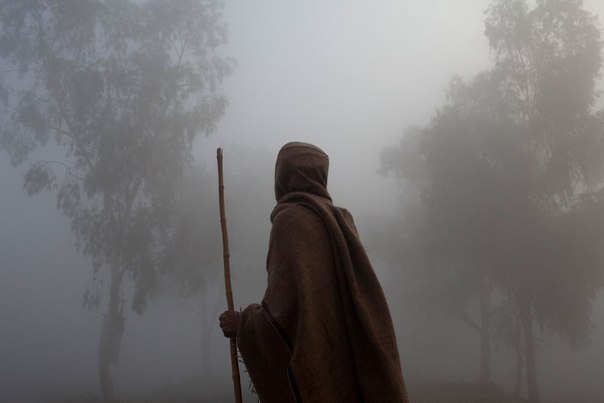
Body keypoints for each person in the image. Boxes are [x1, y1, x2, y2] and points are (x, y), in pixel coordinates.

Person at [219, 142, 408, 402]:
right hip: (357, 368)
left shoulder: (289, 221)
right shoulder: (344, 221)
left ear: (281, 176)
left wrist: (242, 324)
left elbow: (284, 314)